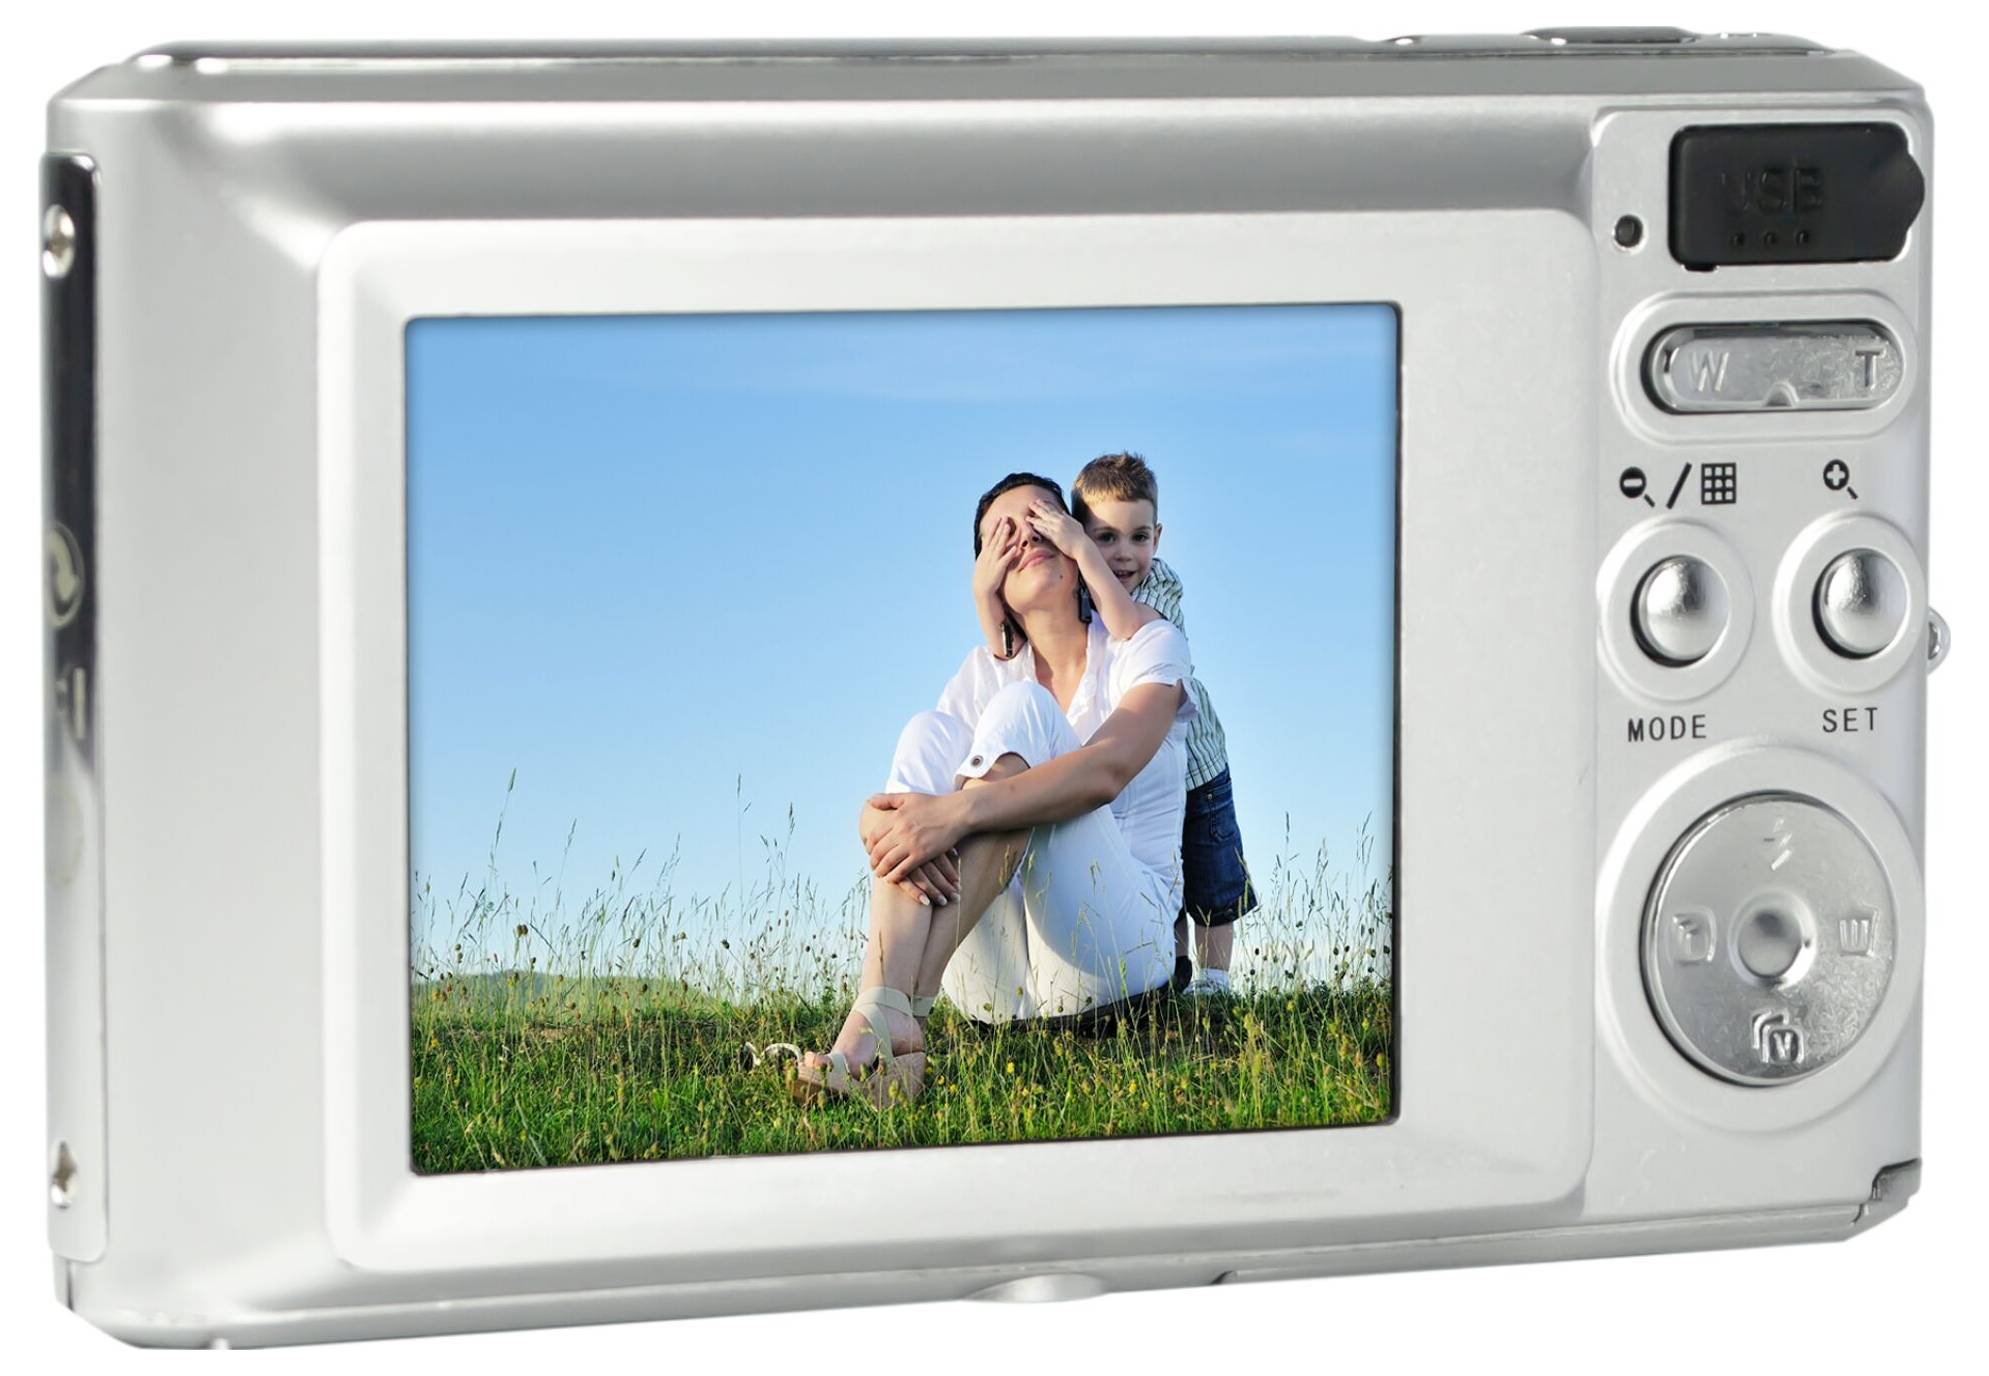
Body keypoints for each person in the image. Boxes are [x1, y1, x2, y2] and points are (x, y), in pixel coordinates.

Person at [790, 473, 1196, 1106]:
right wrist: (874, 822)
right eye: (1000, 537)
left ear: (1075, 541)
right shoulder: (981, 673)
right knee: (927, 732)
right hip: (994, 990)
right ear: (988, 577)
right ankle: (889, 1014)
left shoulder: (1145, 642)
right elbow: (904, 805)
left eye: (1038, 521)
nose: (1023, 540)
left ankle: (885, 1022)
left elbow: (1109, 768)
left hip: (1121, 952)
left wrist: (957, 813)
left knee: (1021, 714)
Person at [1070, 453, 1257, 996]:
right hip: (1142, 774)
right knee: (1160, 868)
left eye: (1138, 536)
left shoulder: (1160, 585)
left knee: (1211, 871)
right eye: (1104, 537)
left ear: (1159, 535)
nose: (1124, 554)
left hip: (1196, 765)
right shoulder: (1077, 587)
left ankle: (1215, 979)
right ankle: (1173, 972)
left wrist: (1084, 553)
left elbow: (1127, 626)